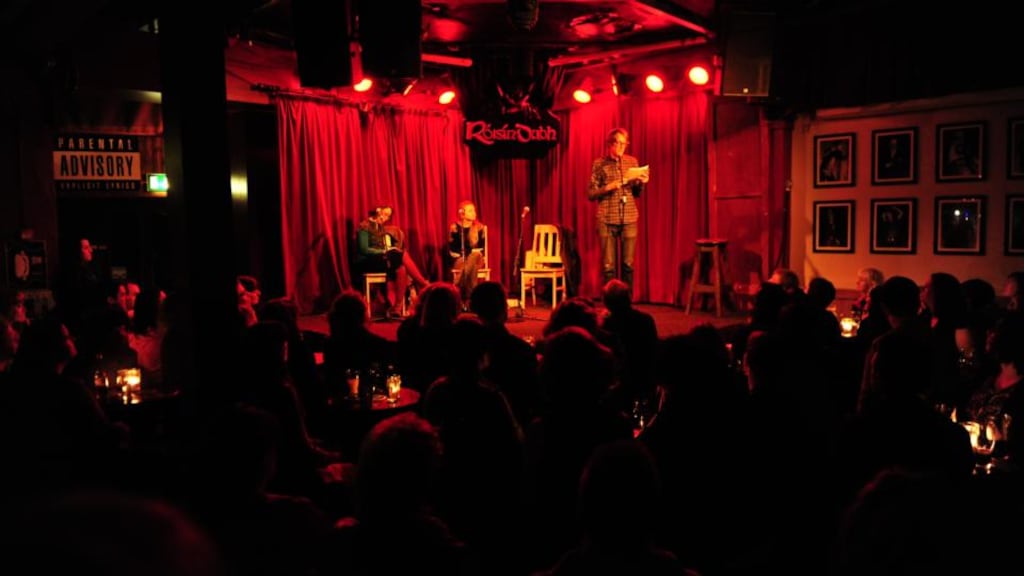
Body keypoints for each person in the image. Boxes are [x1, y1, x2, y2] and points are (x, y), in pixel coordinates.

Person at [587, 128, 648, 286]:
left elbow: (637, 193)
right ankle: (610, 303)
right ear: (610, 144)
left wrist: (641, 182)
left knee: (628, 265)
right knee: (609, 267)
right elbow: (591, 193)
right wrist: (608, 187)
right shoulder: (599, 163)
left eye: (624, 143)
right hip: (606, 219)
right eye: (618, 143)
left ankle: (626, 303)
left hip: (629, 218)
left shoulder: (632, 162)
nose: (622, 146)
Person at [355, 204, 428, 319]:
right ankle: (424, 284)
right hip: (368, 262)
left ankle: (397, 308)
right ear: (377, 211)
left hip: (383, 260)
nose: (386, 218)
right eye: (384, 214)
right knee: (401, 254)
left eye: (388, 216)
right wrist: (384, 250)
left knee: (402, 267)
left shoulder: (382, 228)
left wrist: (388, 249)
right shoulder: (364, 226)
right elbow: (364, 250)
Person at [448, 200, 486, 303]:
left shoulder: (480, 228)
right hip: (460, 259)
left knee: (474, 256)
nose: (474, 213)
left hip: (477, 258)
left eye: (474, 210)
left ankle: (458, 284)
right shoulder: (455, 228)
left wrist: (471, 253)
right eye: (470, 211)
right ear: (462, 214)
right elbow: (453, 249)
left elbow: (483, 248)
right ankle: (472, 299)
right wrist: (467, 253)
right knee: (471, 268)